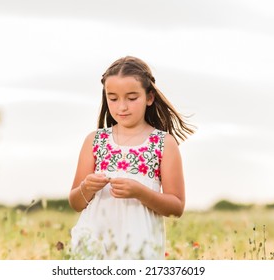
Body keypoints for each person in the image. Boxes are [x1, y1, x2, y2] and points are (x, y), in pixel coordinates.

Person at [69, 56, 194, 259]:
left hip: (140, 248)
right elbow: (76, 203)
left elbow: (176, 207)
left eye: (132, 98)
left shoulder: (163, 143)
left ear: (149, 97)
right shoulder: (95, 140)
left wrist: (140, 192)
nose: (122, 107)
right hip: (93, 247)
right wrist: (86, 188)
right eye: (113, 98)